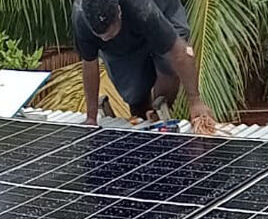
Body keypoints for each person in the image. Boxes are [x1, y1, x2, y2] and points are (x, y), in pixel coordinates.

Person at [73, 0, 218, 134]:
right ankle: (144, 122)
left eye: (109, 33)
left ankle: (160, 107)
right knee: (135, 94)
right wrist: (91, 117)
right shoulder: (81, 17)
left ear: (119, 11)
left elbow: (179, 52)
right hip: (123, 43)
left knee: (170, 65)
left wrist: (195, 100)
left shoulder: (140, 7)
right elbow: (89, 63)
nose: (105, 38)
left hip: (161, 10)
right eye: (101, 36)